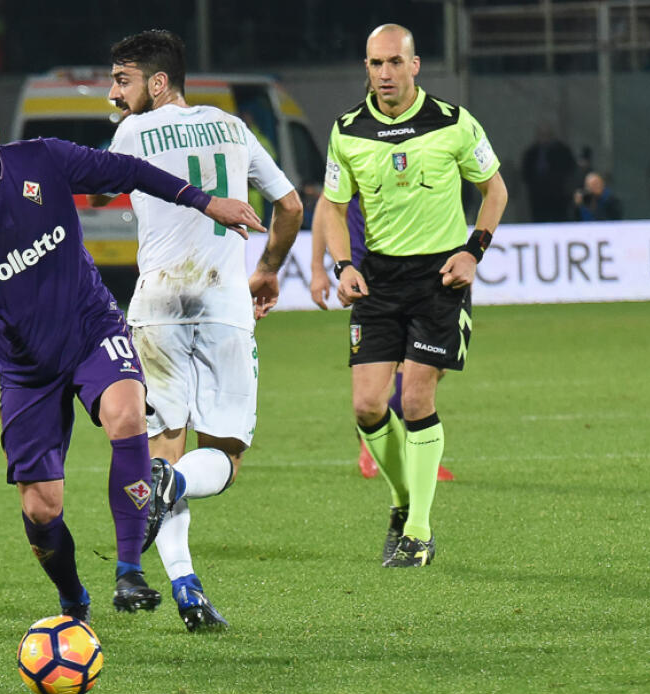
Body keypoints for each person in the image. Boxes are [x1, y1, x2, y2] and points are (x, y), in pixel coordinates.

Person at [0, 91, 264, 622]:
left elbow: (126, 170)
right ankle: (72, 596)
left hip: (91, 328)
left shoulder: (43, 159)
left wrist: (205, 201)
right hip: (27, 368)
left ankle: (130, 571)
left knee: (127, 414)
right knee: (41, 506)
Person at [97, 29, 302, 631]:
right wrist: (267, 269)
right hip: (222, 303)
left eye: (122, 80)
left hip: (156, 304)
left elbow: (106, 183)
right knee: (226, 458)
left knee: (164, 452)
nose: (113, 93)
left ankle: (186, 589)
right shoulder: (233, 127)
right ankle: (174, 493)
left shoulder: (132, 132)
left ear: (158, 83)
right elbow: (289, 205)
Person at [323, 24, 507, 567]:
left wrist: (474, 250)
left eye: (393, 63)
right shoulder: (347, 130)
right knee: (367, 404)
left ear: (415, 65)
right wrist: (342, 264)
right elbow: (333, 205)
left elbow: (493, 189)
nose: (383, 74)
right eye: (374, 64)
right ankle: (403, 504)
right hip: (378, 281)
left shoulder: (453, 123)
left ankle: (420, 534)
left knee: (418, 399)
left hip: (439, 280)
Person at [309, 193, 455, 483]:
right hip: (374, 276)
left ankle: (381, 438)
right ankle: (402, 451)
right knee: (406, 371)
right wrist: (317, 268)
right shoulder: (360, 150)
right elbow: (327, 206)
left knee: (435, 369)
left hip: (423, 271)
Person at [520, 124, 577, 223]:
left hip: (558, 195)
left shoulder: (562, 150)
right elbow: (525, 173)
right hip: (538, 197)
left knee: (559, 221)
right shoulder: (531, 153)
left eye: (547, 134)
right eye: (542, 134)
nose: (544, 138)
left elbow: (570, 169)